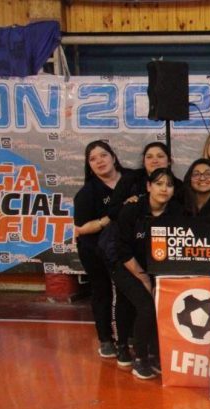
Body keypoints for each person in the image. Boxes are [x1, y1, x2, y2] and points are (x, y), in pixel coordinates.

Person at [110, 168, 183, 380]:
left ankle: (155, 354)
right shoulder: (132, 209)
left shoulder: (177, 212)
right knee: (146, 306)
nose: (164, 189)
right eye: (159, 184)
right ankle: (140, 359)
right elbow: (122, 250)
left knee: (163, 305)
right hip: (126, 266)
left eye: (169, 185)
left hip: (157, 270)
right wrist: (143, 277)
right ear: (149, 186)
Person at [72, 140, 132, 365]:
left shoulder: (132, 179)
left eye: (103, 155)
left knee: (129, 290)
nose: (99, 161)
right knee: (102, 291)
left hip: (127, 246)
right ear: (88, 165)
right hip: (95, 248)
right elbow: (81, 229)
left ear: (113, 157)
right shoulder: (87, 193)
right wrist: (111, 217)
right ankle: (105, 339)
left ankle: (129, 334)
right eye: (93, 159)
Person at [108, 142, 182, 221]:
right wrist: (126, 205)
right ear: (144, 162)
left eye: (160, 156)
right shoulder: (130, 179)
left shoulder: (178, 184)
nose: (155, 160)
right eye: (149, 157)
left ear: (169, 161)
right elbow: (112, 212)